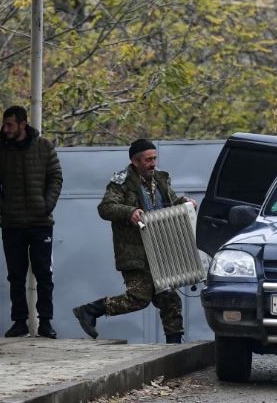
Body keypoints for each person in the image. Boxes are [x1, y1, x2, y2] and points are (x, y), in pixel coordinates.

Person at [73, 139, 196, 344]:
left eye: (154, 158)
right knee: (138, 298)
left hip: (159, 249)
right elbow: (105, 208)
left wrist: (185, 202)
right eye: (148, 160)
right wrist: (129, 211)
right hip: (135, 252)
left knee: (169, 300)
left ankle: (174, 347)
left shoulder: (161, 179)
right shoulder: (121, 182)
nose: (153, 163)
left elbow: (170, 202)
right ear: (135, 161)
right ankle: (90, 310)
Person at [0, 105, 63, 339]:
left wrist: (47, 205)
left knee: (44, 274)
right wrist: (4, 208)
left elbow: (56, 178)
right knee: (15, 275)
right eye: (4, 124)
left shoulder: (44, 147)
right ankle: (19, 321)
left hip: (41, 223)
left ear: (22, 124)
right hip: (13, 224)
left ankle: (45, 322)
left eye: (9, 124)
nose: (5, 129)